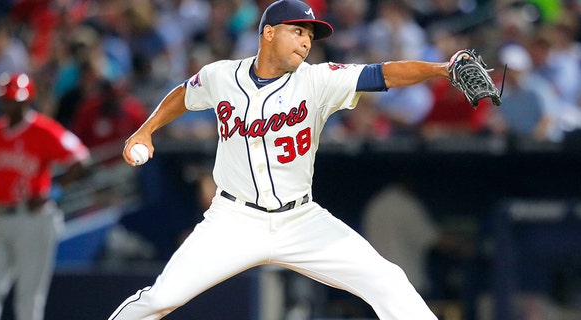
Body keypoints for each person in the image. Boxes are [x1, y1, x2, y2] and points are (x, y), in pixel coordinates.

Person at [108, 0, 469, 318]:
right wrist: (146, 129)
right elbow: (184, 94)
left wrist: (441, 69)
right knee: (159, 299)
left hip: (301, 220)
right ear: (268, 33)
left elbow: (382, 73)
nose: (305, 42)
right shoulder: (222, 75)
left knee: (387, 280)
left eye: (310, 36)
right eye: (297, 31)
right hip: (233, 220)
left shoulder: (317, 80)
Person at [0, 73, 90, 320]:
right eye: (7, 100)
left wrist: (53, 191)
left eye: (15, 100)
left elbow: (81, 160)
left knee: (28, 297)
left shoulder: (43, 129)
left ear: (28, 101)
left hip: (33, 218)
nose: (10, 105)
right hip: (1, 218)